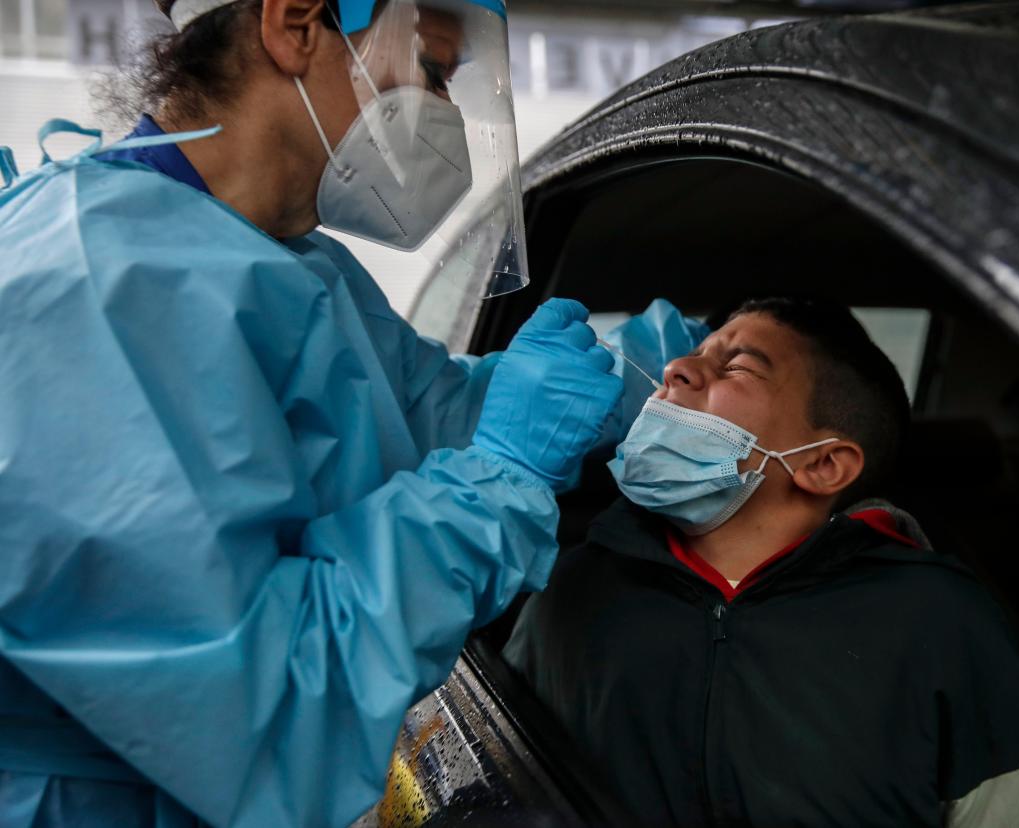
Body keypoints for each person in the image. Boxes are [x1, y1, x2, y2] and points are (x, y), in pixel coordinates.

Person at [0, 1, 690, 826]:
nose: (445, 116)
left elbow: (424, 416)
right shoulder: (96, 289)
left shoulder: (285, 259)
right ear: (295, 26)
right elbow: (260, 705)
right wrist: (504, 473)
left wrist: (651, 376)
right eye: (432, 70)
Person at [504, 296, 1019, 827]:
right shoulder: (570, 589)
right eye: (694, 354)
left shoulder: (939, 622)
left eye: (736, 366)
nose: (675, 369)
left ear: (822, 465)